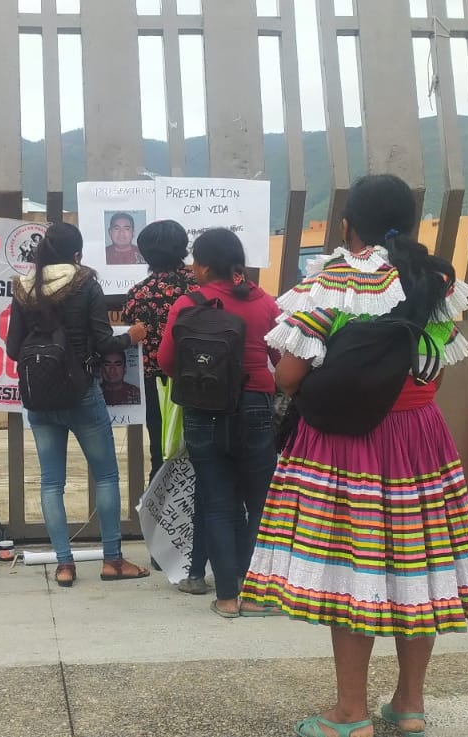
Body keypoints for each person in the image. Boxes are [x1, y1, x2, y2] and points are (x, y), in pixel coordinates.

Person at [243, 175, 468, 737]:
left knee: (352, 571)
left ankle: (350, 713)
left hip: (347, 446)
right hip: (420, 441)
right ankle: (408, 704)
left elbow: (287, 376)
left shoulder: (335, 280)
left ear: (349, 225)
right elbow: (436, 365)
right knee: (414, 567)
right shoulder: (437, 279)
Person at [5, 223, 152, 587]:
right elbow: (103, 342)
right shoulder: (85, 282)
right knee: (105, 475)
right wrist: (130, 336)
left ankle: (64, 565)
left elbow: (12, 349)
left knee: (51, 483)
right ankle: (113, 561)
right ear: (76, 255)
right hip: (82, 393)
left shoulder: (24, 286)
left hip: (38, 397)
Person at [159, 229, 282, 618]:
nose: (192, 269)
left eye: (195, 262)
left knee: (217, 503)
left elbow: (166, 362)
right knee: (259, 501)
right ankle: (258, 590)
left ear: (206, 266)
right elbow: (281, 354)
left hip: (205, 411)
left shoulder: (188, 303)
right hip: (257, 407)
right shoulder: (266, 303)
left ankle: (227, 597)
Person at [121, 220, 206, 593]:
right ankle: (203, 542)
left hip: (157, 388)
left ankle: (163, 549)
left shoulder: (139, 294)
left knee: (162, 460)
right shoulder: (199, 288)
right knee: (204, 462)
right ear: (183, 247)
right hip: (204, 385)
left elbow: (129, 327)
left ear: (144, 253)